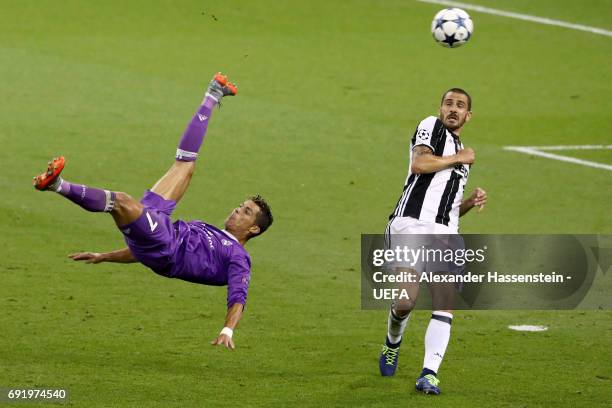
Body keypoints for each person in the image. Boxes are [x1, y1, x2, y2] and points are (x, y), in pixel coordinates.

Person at [33, 73, 273, 350]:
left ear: (254, 229)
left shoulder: (238, 258)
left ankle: (57, 185)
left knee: (121, 201)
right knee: (185, 166)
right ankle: (214, 93)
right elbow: (142, 250)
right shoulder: (216, 235)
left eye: (245, 212)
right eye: (240, 206)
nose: (236, 210)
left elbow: (238, 296)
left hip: (166, 244)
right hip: (163, 229)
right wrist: (105, 256)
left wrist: (228, 330)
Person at [379, 88, 487, 394]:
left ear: (469, 115)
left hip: (445, 235)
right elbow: (419, 165)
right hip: (410, 226)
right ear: (440, 108)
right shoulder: (432, 127)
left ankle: (429, 373)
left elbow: (447, 207)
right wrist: (459, 158)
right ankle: (393, 340)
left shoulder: (460, 151)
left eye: (460, 106)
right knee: (405, 301)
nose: (453, 109)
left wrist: (469, 202)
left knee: (445, 303)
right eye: (449, 103)